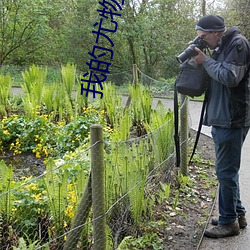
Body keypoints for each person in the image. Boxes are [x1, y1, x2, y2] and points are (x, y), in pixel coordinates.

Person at [192, 15, 250, 238]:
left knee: (225, 171)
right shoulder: (221, 46)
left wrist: (205, 61)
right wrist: (202, 59)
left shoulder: (238, 44)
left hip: (232, 118)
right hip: (222, 117)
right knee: (227, 171)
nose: (203, 41)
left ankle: (228, 223)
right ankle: (237, 214)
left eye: (204, 37)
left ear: (216, 32)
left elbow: (229, 77)